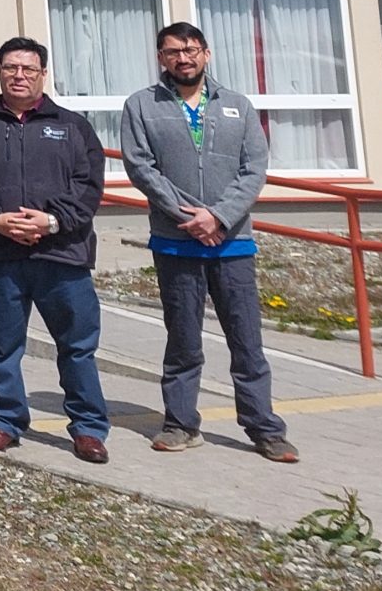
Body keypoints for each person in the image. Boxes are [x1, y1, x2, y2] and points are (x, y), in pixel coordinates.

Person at [121, 23, 298, 463]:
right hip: (176, 242)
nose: (183, 58)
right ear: (161, 58)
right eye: (172, 51)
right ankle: (180, 424)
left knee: (247, 341)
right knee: (183, 339)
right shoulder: (141, 106)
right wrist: (190, 217)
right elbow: (141, 168)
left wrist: (218, 216)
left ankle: (264, 428)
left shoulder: (237, 105)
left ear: (207, 53)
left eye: (191, 49)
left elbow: (254, 168)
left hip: (232, 242)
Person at [0, 38, 110, 463]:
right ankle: (4, 422)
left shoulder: (74, 127)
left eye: (28, 69)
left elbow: (88, 186)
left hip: (62, 258)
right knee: (0, 346)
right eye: (10, 68)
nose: (18, 76)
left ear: (42, 75)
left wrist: (51, 221)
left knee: (76, 347)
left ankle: (89, 429)